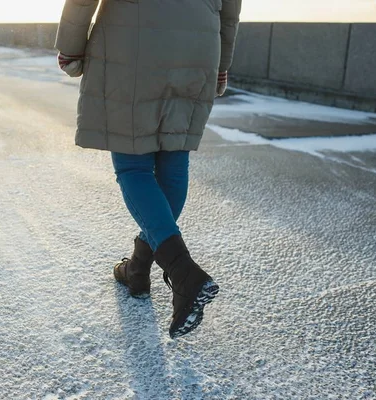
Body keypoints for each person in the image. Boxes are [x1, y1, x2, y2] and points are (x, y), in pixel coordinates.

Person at [56, 0, 242, 339]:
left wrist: (70, 49)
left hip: (131, 40)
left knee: (133, 165)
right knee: (174, 159)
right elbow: (230, 9)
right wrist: (221, 64)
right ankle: (138, 268)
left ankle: (183, 273)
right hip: (198, 45)